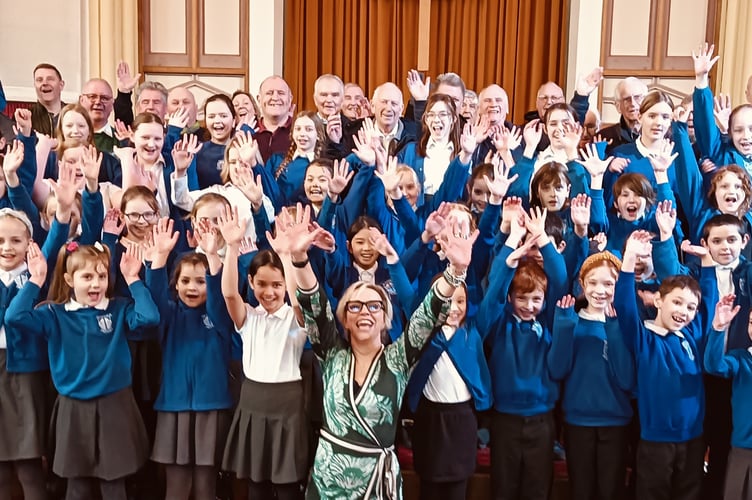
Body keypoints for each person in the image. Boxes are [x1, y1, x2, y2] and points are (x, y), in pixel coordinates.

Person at [288, 200, 477, 499]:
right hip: (328, 483)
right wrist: (298, 257)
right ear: (345, 318)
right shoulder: (331, 352)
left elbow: (427, 315)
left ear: (386, 317)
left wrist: (456, 271)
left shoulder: (398, 358)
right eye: (355, 305)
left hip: (378, 484)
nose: (364, 311)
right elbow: (314, 306)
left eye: (374, 305)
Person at [6, 240, 160, 500]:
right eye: (87, 276)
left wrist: (133, 279)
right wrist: (37, 279)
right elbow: (14, 317)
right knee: (77, 488)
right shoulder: (54, 314)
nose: (96, 284)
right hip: (73, 408)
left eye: (101, 276)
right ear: (68, 279)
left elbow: (150, 318)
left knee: (114, 487)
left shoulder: (118, 308)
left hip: (115, 407)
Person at [614, 230, 717, 500]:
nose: (684, 311)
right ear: (659, 300)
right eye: (677, 302)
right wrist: (629, 258)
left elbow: (708, 303)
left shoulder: (691, 336)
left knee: (690, 493)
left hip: (693, 440)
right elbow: (624, 305)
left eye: (690, 307)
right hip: (656, 442)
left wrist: (707, 262)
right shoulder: (644, 339)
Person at [218, 206, 309, 500]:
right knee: (255, 483)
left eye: (276, 285)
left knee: (286, 486)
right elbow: (230, 294)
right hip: (253, 401)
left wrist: (285, 256)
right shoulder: (249, 318)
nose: (268, 292)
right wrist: (231, 247)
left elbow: (299, 300)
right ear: (252, 283)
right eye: (261, 284)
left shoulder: (295, 318)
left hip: (287, 405)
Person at [477, 205, 568, 500]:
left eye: (536, 299)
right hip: (505, 420)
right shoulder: (498, 322)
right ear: (511, 298)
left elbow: (560, 278)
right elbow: (492, 295)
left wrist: (542, 238)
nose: (529, 306)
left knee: (538, 489)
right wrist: (508, 255)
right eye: (522, 298)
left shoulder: (548, 322)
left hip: (542, 420)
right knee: (503, 488)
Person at [145, 218, 234, 500]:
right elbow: (155, 302)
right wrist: (158, 260)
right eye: (185, 281)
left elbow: (221, 299)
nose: (192, 287)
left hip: (212, 408)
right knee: (177, 487)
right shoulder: (169, 315)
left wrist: (212, 256)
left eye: (200, 281)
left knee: (206, 487)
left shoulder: (219, 318)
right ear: (176, 283)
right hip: (174, 407)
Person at [549, 252, 635, 500]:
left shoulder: (624, 324)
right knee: (582, 490)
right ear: (582, 284)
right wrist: (564, 326)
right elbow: (557, 370)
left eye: (608, 283)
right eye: (593, 283)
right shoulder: (571, 320)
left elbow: (627, 379)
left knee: (611, 490)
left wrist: (614, 329)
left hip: (615, 424)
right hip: (578, 423)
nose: (600, 290)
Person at [405, 278, 492, 500]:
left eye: (460, 301)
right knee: (430, 488)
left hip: (462, 421)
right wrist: (394, 261)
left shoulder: (471, 332)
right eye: (447, 301)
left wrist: (508, 256)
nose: (454, 309)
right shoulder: (423, 334)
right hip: (430, 420)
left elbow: (495, 297)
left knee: (457, 489)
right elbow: (406, 296)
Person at [704, 307, 752, 500]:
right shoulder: (741, 357)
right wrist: (718, 328)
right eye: (751, 322)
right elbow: (714, 365)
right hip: (742, 449)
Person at [598, 77, 649, 155]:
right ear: (618, 106)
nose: (632, 103)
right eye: (627, 99)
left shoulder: (658, 134)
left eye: (637, 97)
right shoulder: (603, 137)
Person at [255, 76, 295, 162]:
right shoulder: (249, 133)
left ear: (290, 99)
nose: (275, 98)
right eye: (269, 93)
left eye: (281, 93)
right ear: (259, 99)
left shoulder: (300, 131)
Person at [79, 78, 116, 152]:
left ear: (112, 104)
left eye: (104, 98)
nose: (98, 102)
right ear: (81, 100)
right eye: (92, 97)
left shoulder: (121, 141)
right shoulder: (68, 136)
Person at [31, 63, 65, 137]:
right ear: (34, 86)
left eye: (50, 79)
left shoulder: (75, 114)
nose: (45, 83)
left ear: (61, 85)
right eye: (39, 80)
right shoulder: (26, 116)